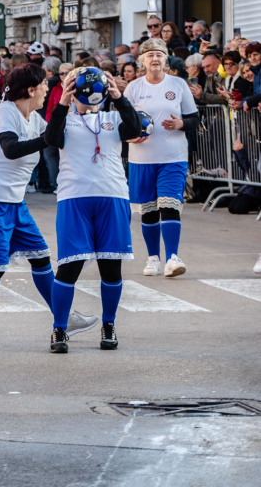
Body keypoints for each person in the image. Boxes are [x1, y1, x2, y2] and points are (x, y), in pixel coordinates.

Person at [0, 63, 97, 346]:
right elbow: (11, 149)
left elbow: (56, 137)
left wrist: (77, 107)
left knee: (41, 257)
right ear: (31, 89)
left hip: (14, 201)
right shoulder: (6, 112)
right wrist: (45, 139)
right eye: (44, 84)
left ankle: (64, 316)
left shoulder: (34, 117)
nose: (47, 88)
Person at [43, 68, 143, 353]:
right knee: (69, 267)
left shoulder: (114, 118)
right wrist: (63, 102)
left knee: (111, 267)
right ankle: (59, 328)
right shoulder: (64, 119)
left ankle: (109, 325)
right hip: (74, 198)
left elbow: (135, 130)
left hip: (112, 196)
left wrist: (119, 97)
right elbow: (51, 140)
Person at [125, 38, 200, 278]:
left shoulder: (178, 84)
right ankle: (153, 258)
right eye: (150, 55)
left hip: (173, 157)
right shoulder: (133, 88)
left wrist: (180, 124)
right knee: (148, 211)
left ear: (166, 58)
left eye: (159, 54)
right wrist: (129, 137)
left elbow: (194, 119)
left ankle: (172, 258)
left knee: (169, 205)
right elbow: (121, 123)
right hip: (141, 159)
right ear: (142, 60)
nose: (155, 59)